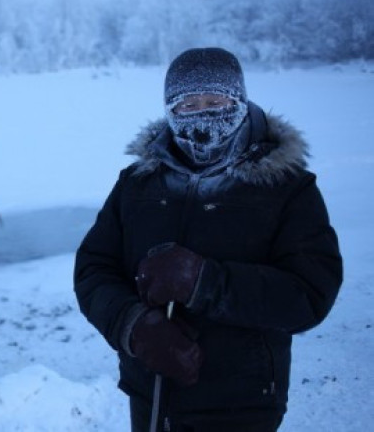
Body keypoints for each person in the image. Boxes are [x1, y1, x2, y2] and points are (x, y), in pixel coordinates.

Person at [73, 47, 342, 432]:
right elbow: (93, 269)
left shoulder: (286, 189)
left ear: (240, 101)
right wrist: (132, 326)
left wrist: (204, 281)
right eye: (187, 105)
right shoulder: (136, 185)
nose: (202, 116)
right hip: (150, 399)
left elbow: (309, 294)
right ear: (169, 110)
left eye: (216, 101)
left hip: (240, 404)